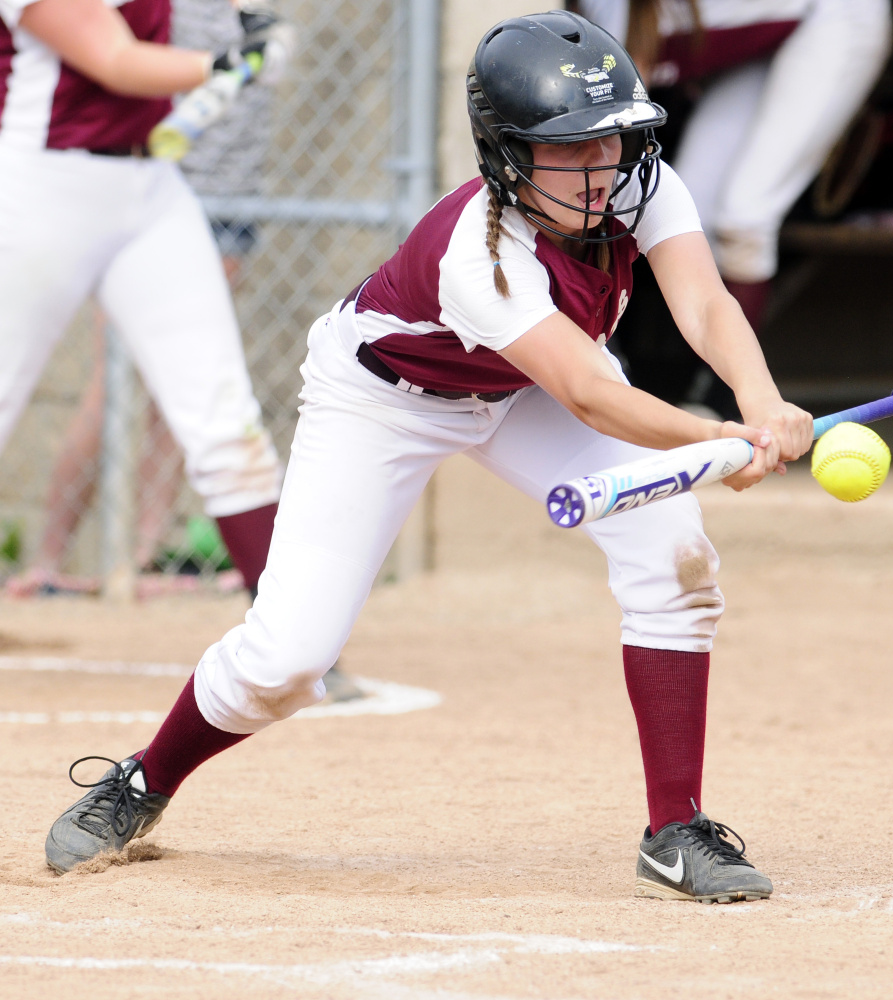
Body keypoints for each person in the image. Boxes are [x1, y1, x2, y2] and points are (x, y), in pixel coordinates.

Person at [43, 11, 813, 904]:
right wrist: (711, 436)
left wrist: (759, 405)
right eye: (566, 149)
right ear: (506, 153)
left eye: (612, 142)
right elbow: (591, 394)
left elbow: (707, 305)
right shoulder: (475, 252)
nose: (598, 170)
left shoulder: (639, 187)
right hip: (384, 399)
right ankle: (145, 779)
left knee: (673, 547)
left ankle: (675, 830)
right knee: (287, 660)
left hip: (517, 389)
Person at [0, 0, 293, 603]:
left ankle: (294, 643)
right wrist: (228, 62)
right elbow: (114, 59)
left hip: (149, 188)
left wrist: (253, 25)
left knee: (225, 423)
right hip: (42, 188)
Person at [574, 0, 892, 415]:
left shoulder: (612, 15)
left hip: (834, 19)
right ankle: (678, 387)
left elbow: (619, 106)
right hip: (763, 49)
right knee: (686, 210)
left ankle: (727, 399)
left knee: (745, 219)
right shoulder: (597, 13)